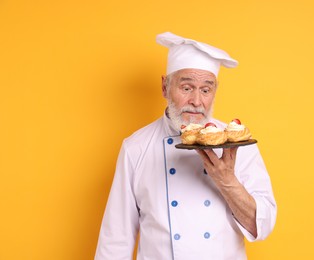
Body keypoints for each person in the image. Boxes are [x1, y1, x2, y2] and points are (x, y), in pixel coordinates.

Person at [95, 32, 277, 260]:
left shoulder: (236, 144)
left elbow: (263, 226)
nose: (197, 101)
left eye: (205, 89)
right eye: (187, 87)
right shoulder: (136, 147)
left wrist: (226, 181)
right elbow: (116, 239)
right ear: (165, 87)